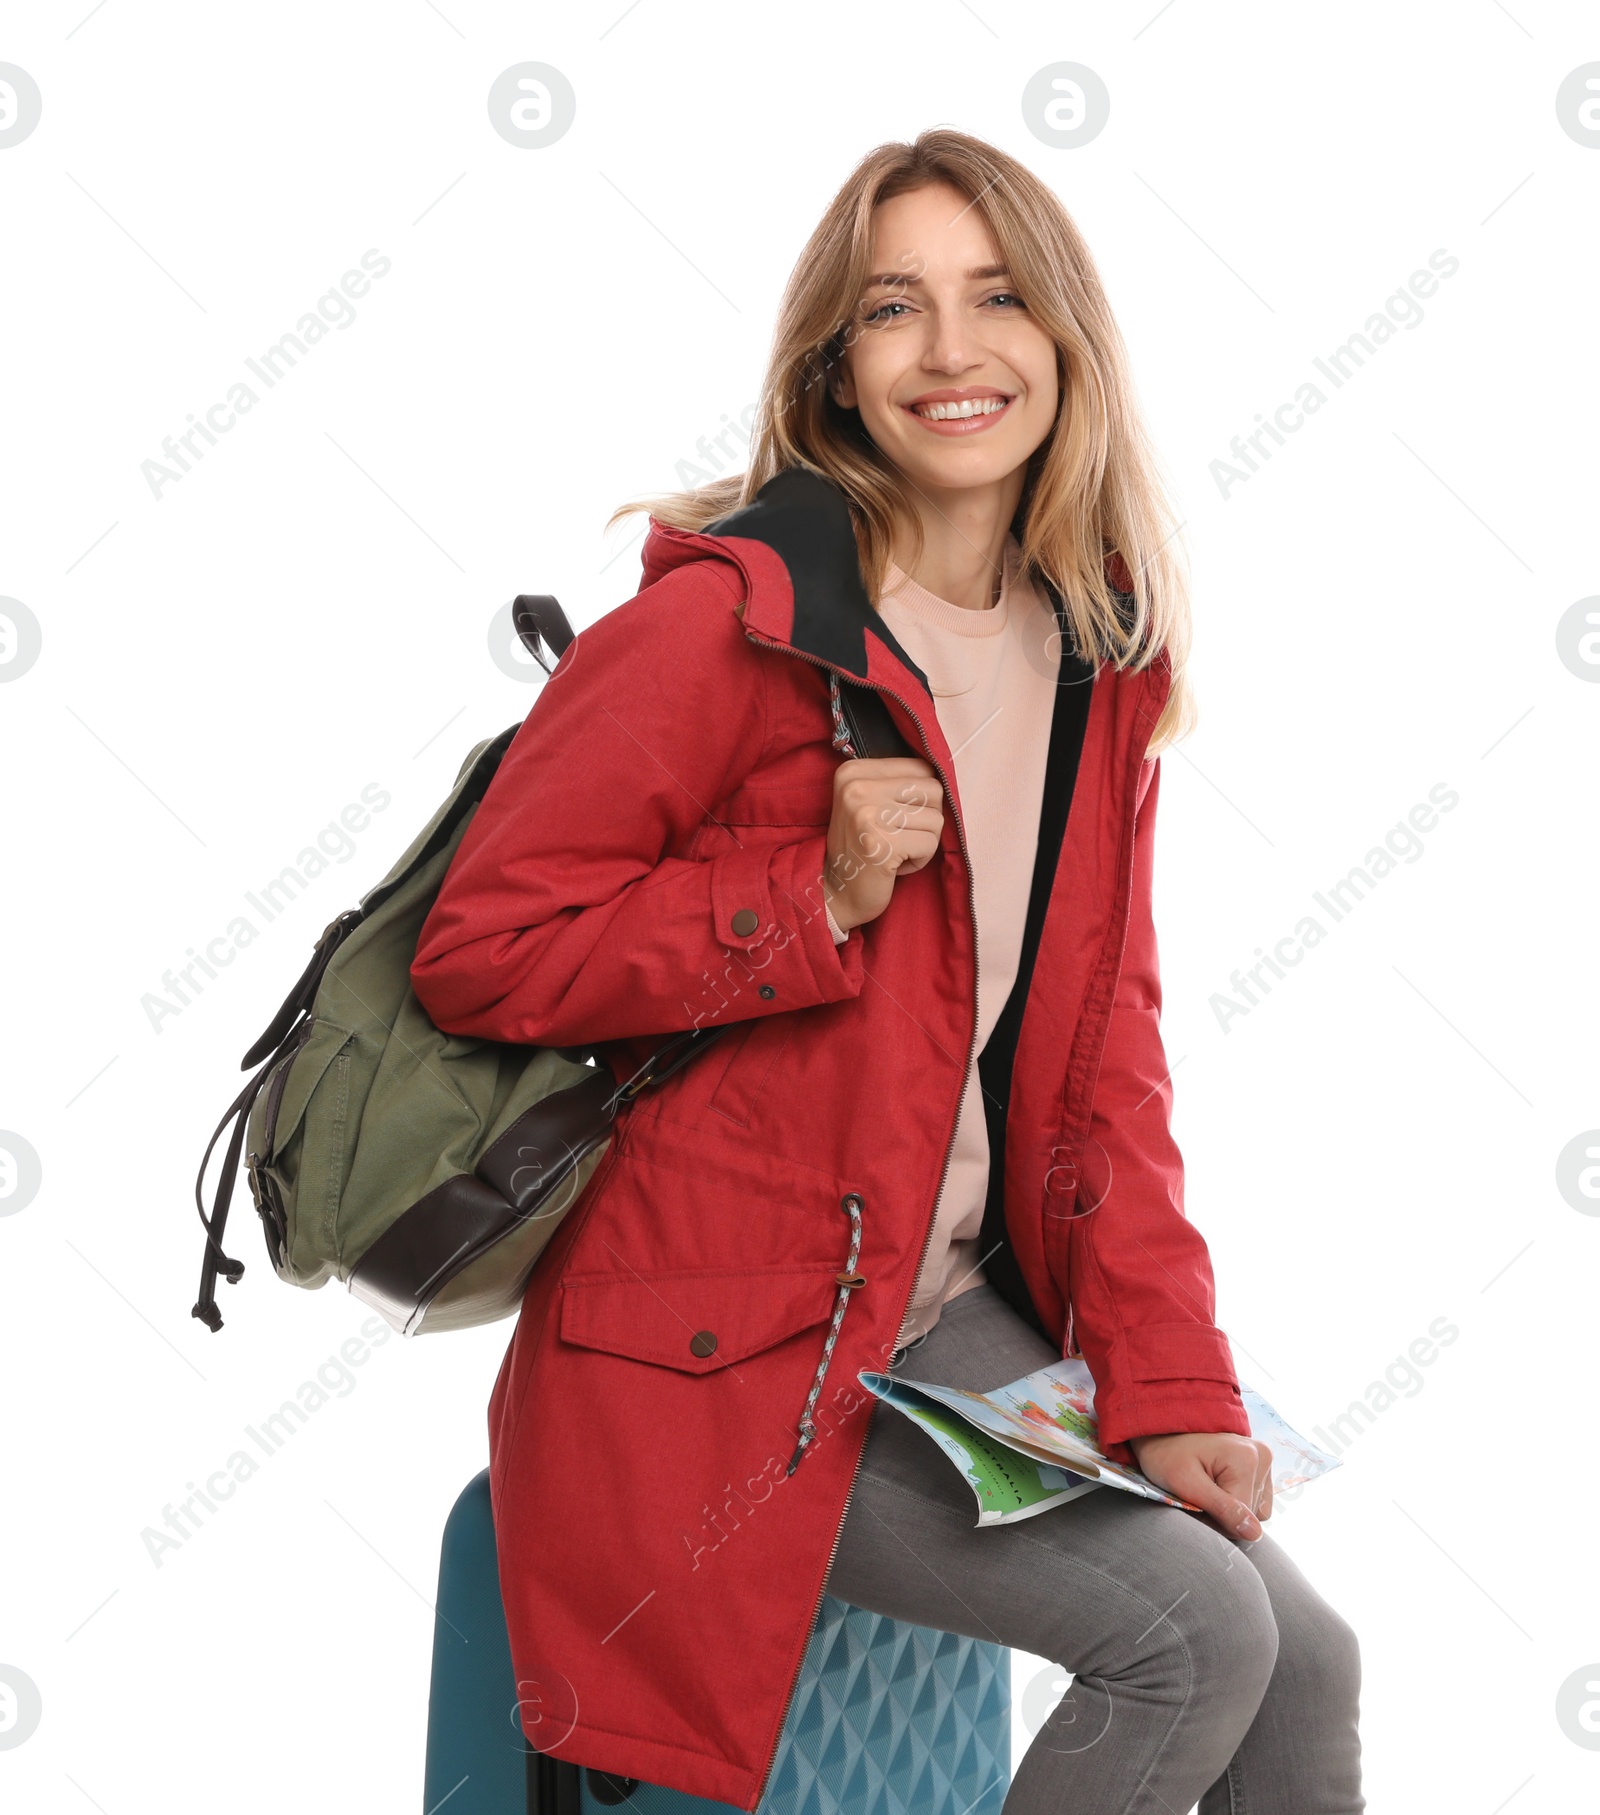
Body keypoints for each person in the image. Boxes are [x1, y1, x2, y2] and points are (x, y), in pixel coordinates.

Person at [410, 128, 1363, 1814]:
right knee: (1194, 1639)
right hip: (720, 1345)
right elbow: (480, 952)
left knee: (1308, 1659)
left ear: (1065, 344)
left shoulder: (1094, 656)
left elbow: (1101, 1072)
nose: (951, 352)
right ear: (835, 371)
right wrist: (805, 892)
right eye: (893, 310)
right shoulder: (727, 627)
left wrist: (1170, 1379)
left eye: (997, 299)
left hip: (938, 1312)